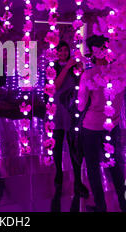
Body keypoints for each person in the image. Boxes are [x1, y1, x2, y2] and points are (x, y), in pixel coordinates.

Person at [77, 35, 126, 212]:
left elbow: (81, 105)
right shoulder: (120, 73)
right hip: (112, 125)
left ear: (92, 51)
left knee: (93, 168)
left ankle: (101, 207)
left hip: (91, 126)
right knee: (116, 166)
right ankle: (125, 206)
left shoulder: (89, 74)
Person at [50, 41, 89, 212]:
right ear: (56, 53)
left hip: (72, 109)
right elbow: (55, 86)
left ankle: (77, 179)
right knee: (57, 145)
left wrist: (78, 67)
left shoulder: (75, 66)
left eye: (66, 50)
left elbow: (81, 83)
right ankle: (58, 172)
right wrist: (66, 68)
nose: (63, 53)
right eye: (60, 51)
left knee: (74, 145)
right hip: (57, 110)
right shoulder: (52, 68)